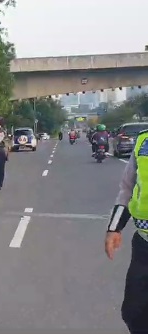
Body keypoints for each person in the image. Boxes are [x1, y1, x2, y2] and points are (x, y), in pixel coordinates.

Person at [105, 128, 148, 334]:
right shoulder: (143, 140)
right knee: (133, 311)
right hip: (144, 244)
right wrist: (114, 228)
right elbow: (127, 188)